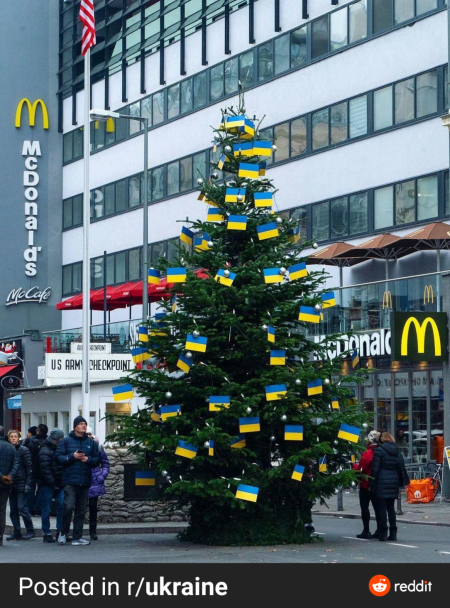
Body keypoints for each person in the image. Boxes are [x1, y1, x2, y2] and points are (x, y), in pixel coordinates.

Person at [56, 416, 100, 546]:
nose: (84, 426)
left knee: (81, 511)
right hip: (70, 480)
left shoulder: (91, 443)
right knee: (68, 507)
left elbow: (97, 459)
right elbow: (58, 458)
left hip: (85, 480)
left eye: (85, 424)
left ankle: (77, 537)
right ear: (75, 426)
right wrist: (72, 456)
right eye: (81, 424)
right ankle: (63, 533)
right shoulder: (65, 441)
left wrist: (88, 460)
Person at [370, 432, 401, 542]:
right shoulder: (396, 451)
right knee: (391, 508)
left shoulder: (379, 451)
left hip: (381, 481)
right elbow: (400, 466)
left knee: (382, 508)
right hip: (393, 480)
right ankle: (393, 533)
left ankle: (383, 532)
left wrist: (371, 482)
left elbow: (375, 468)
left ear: (382, 439)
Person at [6, 430, 35, 541]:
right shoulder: (8, 450)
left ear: (18, 438)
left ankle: (30, 530)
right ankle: (17, 531)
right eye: (11, 437)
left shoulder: (24, 450)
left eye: (15, 437)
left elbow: (29, 468)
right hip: (10, 483)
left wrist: (28, 483)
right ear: (8, 438)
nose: (13, 438)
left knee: (22, 507)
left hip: (21, 483)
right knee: (13, 510)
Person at [39, 429, 65, 543]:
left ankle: (59, 530)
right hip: (49, 484)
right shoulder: (45, 450)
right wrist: (53, 482)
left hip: (56, 483)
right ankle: (47, 532)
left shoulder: (53, 448)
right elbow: (45, 469)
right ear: (57, 439)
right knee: (47, 509)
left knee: (60, 506)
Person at [354, 431, 380, 539]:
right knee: (378, 508)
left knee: (365, 508)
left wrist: (355, 466)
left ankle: (366, 530)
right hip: (378, 483)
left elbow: (362, 468)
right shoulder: (380, 451)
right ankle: (380, 530)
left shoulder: (369, 452)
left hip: (366, 483)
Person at [87, 429, 110, 541]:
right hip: (82, 479)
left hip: (95, 480)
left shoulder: (98, 447)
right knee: (79, 507)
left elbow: (105, 464)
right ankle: (78, 532)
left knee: (92, 507)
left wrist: (102, 475)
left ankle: (93, 531)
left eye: (90, 434)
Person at [0, 426, 18, 546]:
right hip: (6, 485)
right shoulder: (11, 448)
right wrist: (9, 476)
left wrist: (1, 476)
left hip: (3, 479)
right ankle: (0, 536)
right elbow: (16, 464)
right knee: (2, 510)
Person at [27, 423, 48, 516]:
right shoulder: (48, 441)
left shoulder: (30, 440)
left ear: (37, 431)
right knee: (42, 489)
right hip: (44, 468)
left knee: (31, 489)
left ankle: (30, 509)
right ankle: (37, 508)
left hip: (32, 467)